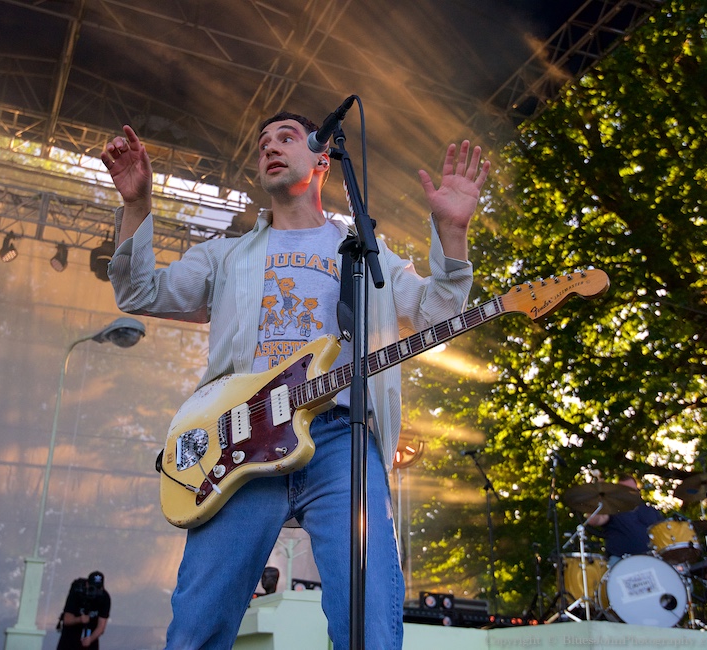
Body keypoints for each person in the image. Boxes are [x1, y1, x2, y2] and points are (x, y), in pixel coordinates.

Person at [102, 111, 489, 649]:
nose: (270, 147)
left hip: (341, 437)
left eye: (286, 138)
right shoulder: (225, 255)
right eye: (263, 142)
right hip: (240, 441)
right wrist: (136, 204)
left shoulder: (365, 251)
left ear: (323, 158)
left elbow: (437, 312)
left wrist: (453, 232)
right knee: (197, 626)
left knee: (371, 621)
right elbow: (139, 291)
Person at [586, 474, 663, 562]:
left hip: (652, 560)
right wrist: (597, 497)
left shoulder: (651, 511)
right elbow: (593, 520)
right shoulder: (612, 509)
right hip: (620, 562)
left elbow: (666, 535)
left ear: (638, 491)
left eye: (632, 490)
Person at [57, 570, 111, 649]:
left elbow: (101, 626)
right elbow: (67, 619)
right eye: (92, 588)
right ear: (87, 584)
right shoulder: (77, 591)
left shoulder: (104, 598)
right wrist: (79, 619)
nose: (95, 591)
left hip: (90, 634)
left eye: (98, 588)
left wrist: (90, 639)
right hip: (70, 636)